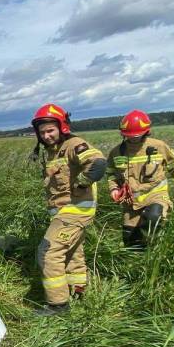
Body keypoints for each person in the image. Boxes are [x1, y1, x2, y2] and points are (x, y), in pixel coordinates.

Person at [30, 103, 107, 316]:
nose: (46, 136)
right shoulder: (52, 152)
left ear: (62, 127)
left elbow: (98, 163)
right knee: (73, 252)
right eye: (42, 132)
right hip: (65, 213)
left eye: (50, 130)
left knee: (48, 252)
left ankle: (58, 305)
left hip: (75, 211)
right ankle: (77, 291)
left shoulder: (74, 144)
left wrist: (82, 183)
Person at [107, 109, 174, 249]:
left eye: (136, 136)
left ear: (146, 131)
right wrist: (114, 189)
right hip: (131, 202)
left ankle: (159, 250)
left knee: (153, 217)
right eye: (128, 136)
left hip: (156, 195)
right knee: (131, 243)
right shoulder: (117, 152)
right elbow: (111, 174)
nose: (133, 139)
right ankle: (142, 258)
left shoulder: (159, 147)